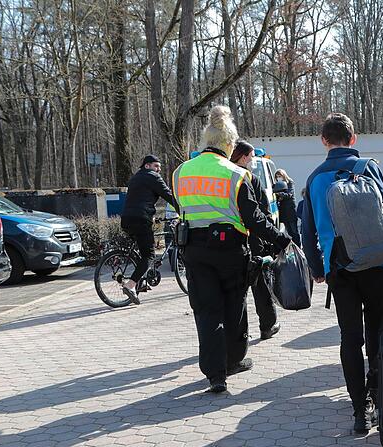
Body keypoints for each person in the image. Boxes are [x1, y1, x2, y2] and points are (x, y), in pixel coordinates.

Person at [302, 113, 383, 433]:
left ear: (323, 141)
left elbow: (307, 229)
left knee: (349, 338)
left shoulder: (314, 178)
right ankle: (380, 397)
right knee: (378, 333)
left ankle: (359, 410)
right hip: (378, 263)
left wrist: (316, 268)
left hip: (341, 267)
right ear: (354, 139)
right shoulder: (369, 168)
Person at [172, 105, 292, 393]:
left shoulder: (180, 172)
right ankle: (233, 360)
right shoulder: (238, 175)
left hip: (194, 250)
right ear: (229, 144)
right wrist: (281, 240)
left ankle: (215, 375)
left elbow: (182, 208)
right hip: (229, 250)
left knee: (206, 310)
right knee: (233, 307)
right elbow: (254, 218)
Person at [231, 140, 281, 341]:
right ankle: (267, 326)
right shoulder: (249, 179)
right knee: (262, 287)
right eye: (251, 158)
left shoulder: (225, 178)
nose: (252, 162)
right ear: (243, 157)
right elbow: (262, 213)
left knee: (236, 291)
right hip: (255, 242)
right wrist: (273, 238)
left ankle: (237, 335)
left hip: (233, 242)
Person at [120, 154, 177, 304]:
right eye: (156, 166)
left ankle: (142, 281)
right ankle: (131, 285)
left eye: (159, 167)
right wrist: (183, 209)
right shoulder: (153, 177)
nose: (158, 169)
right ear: (147, 166)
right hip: (141, 220)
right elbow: (169, 196)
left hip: (126, 219)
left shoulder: (135, 178)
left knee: (142, 251)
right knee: (149, 255)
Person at [274, 169, 302, 248]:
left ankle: (298, 247)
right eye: (277, 177)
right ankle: (293, 248)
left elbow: (289, 194)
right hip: (283, 211)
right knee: (289, 232)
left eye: (280, 176)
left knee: (294, 231)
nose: (279, 178)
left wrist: (279, 194)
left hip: (290, 210)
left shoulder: (289, 182)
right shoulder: (278, 184)